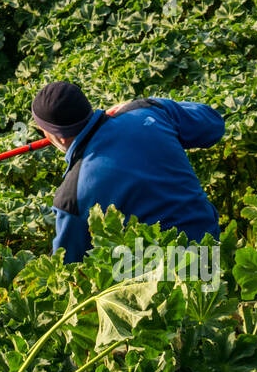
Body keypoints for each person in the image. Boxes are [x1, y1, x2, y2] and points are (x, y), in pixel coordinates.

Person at [30, 81, 224, 263]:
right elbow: (213, 125)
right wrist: (145, 104)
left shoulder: (71, 195)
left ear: (59, 138)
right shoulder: (149, 111)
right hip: (210, 246)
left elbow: (68, 264)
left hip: (154, 280)